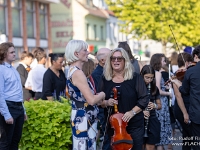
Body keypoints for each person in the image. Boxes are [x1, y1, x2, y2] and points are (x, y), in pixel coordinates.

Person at [99, 48, 148, 150]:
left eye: (119, 58)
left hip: (134, 125)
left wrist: (132, 112)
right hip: (114, 127)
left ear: (125, 61)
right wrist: (107, 102)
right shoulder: (105, 79)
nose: (116, 61)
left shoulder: (135, 78)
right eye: (113, 58)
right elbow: (99, 101)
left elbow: (144, 98)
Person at [65, 39, 105, 149]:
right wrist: (102, 94)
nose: (88, 52)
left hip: (82, 116)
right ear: (76, 54)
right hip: (84, 117)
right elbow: (91, 100)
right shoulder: (78, 73)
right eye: (85, 50)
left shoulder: (72, 70)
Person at [171, 45, 200, 150]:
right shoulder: (186, 72)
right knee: (188, 137)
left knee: (193, 140)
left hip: (195, 113)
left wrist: (177, 82)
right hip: (188, 110)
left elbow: (184, 90)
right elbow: (179, 96)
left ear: (196, 56)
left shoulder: (190, 71)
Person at [0, 42, 27, 149]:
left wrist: (23, 110)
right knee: (6, 142)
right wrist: (6, 114)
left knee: (15, 141)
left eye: (14, 51)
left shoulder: (13, 70)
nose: (14, 54)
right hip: (9, 107)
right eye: (11, 52)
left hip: (18, 107)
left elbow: (18, 92)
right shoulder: (1, 70)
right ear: (4, 54)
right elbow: (0, 94)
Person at [150, 53, 173, 150]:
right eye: (163, 60)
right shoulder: (158, 73)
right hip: (161, 103)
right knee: (161, 134)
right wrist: (168, 93)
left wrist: (166, 87)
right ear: (158, 61)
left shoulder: (153, 72)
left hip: (158, 103)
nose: (165, 62)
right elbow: (158, 90)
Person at [172, 52, 193, 150]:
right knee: (189, 136)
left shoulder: (185, 73)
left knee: (187, 136)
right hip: (182, 108)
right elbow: (178, 96)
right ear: (187, 62)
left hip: (185, 107)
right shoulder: (177, 75)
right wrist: (185, 113)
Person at [140, 65, 161, 150]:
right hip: (139, 120)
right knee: (139, 145)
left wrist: (154, 106)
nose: (149, 80)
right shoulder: (136, 87)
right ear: (142, 75)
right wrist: (141, 111)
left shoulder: (154, 88)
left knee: (151, 146)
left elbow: (160, 105)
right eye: (147, 77)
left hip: (152, 119)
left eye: (151, 78)